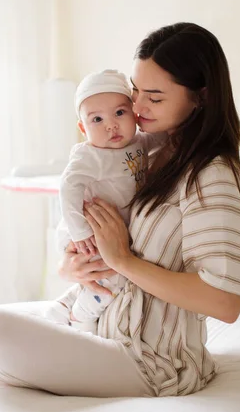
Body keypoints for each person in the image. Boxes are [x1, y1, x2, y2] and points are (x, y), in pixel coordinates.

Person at [0, 22, 240, 398]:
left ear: (200, 97)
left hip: (149, 357)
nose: (136, 108)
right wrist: (74, 265)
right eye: (135, 91)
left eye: (154, 98)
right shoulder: (145, 151)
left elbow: (226, 301)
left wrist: (121, 260)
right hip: (103, 319)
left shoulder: (210, 174)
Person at [50, 69, 160, 333]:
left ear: (134, 113)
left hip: (104, 230)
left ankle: (64, 305)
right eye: (97, 119)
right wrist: (79, 231)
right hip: (86, 231)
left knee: (103, 272)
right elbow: (68, 186)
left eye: (119, 113)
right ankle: (81, 316)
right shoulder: (91, 156)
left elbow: (165, 137)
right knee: (115, 278)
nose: (111, 125)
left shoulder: (138, 143)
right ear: (82, 128)